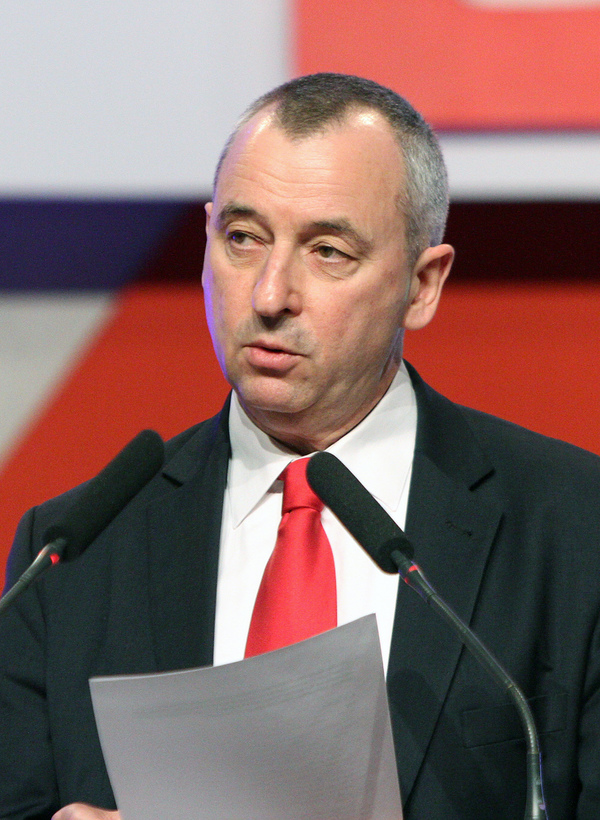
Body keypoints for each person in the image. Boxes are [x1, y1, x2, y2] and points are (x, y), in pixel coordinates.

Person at [1, 72, 600, 820]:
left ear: (423, 284)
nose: (269, 295)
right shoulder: (69, 556)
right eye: (243, 239)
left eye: (328, 251)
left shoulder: (575, 528)